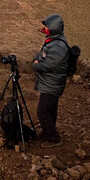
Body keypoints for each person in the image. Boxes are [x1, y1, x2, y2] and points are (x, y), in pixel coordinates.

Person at [33, 14, 70, 148]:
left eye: (47, 26)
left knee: (42, 111)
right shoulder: (53, 41)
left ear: (53, 28)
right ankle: (48, 132)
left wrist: (36, 65)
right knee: (50, 109)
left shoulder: (58, 46)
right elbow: (42, 54)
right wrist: (37, 59)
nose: (44, 28)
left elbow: (49, 65)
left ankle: (54, 138)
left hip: (52, 84)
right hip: (51, 83)